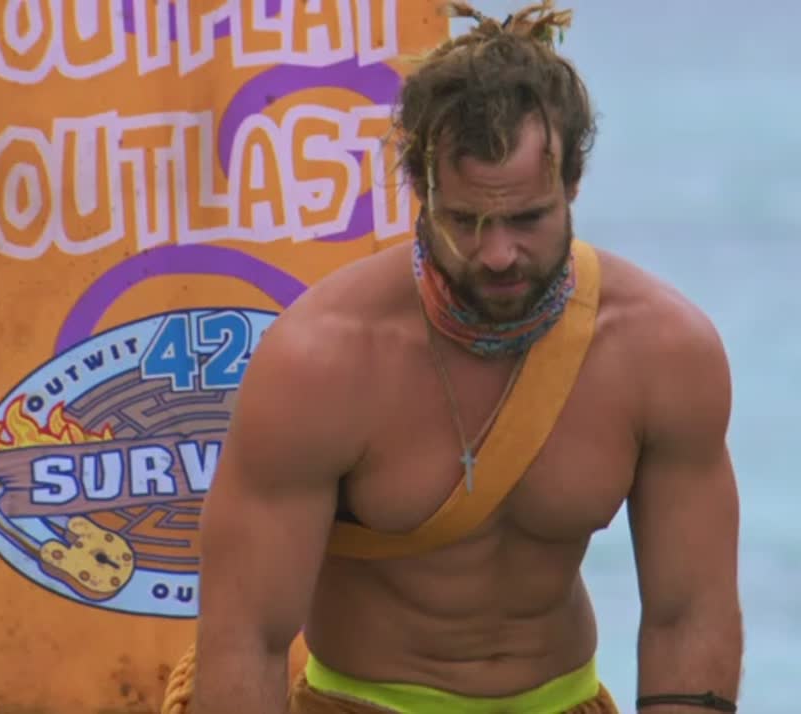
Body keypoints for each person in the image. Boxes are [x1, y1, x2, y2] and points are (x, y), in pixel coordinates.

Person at [189, 2, 743, 712]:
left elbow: (687, 615)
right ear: (420, 194)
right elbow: (247, 638)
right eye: (466, 221)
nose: (499, 253)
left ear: (572, 183)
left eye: (527, 218)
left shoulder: (661, 351)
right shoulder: (321, 361)